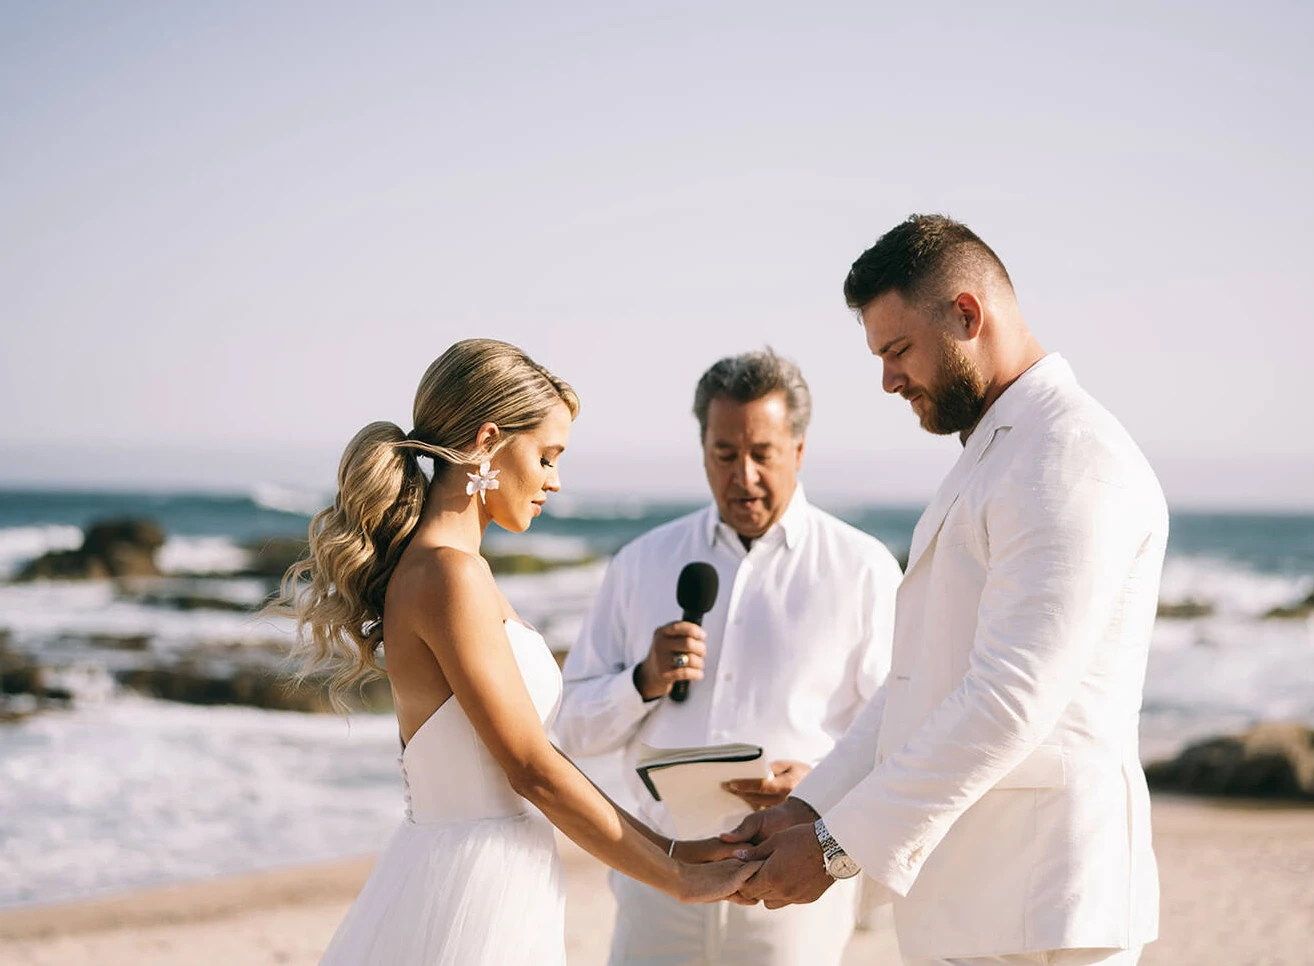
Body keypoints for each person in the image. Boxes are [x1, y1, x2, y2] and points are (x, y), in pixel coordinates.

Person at [722, 215, 1167, 966]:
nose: (888, 379)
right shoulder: (999, 450)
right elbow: (916, 685)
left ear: (966, 314)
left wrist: (833, 848)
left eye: (897, 350)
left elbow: (1008, 698)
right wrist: (808, 806)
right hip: (972, 905)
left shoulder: (1069, 454)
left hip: (1044, 912)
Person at [274, 339, 757, 966]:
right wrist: (676, 879)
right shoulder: (449, 575)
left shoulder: (448, 570)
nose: (556, 481)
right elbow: (529, 768)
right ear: (488, 441)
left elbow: (536, 760)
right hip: (475, 887)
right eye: (547, 455)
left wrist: (673, 850)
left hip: (483, 870)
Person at [554, 349, 902, 965]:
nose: (743, 476)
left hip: (792, 879)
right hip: (657, 870)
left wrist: (823, 786)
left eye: (762, 454)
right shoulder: (641, 562)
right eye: (724, 454)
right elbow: (572, 729)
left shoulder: (864, 568)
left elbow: (899, 726)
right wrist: (643, 680)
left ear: (798, 448)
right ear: (703, 449)